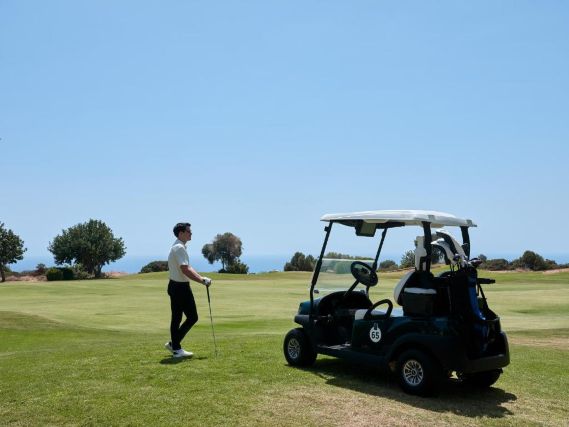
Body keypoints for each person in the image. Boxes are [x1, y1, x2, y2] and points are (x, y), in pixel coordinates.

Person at [165, 222, 212, 358]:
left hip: (175, 286)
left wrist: (201, 277)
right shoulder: (179, 247)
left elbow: (188, 268)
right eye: (188, 231)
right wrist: (202, 280)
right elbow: (185, 269)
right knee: (191, 317)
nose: (191, 233)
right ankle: (175, 346)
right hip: (180, 287)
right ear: (181, 233)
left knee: (177, 318)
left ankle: (174, 345)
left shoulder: (178, 246)